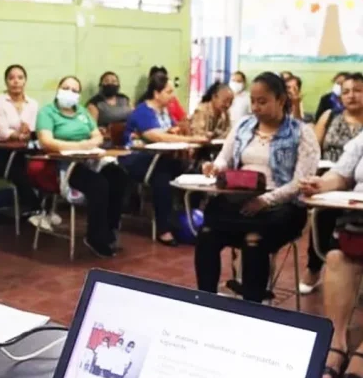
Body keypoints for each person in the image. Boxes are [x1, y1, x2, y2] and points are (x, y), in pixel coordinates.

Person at [196, 72, 319, 303]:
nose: (255, 107)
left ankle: (252, 307)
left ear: (281, 100)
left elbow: (300, 182)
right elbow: (226, 158)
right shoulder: (243, 126)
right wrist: (216, 167)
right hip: (241, 200)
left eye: (262, 102)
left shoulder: (301, 133)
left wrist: (266, 200)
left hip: (282, 206)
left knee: (255, 240)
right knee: (207, 233)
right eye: (253, 101)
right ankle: (205, 300)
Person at [35, 76, 129, 257]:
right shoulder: (47, 113)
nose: (69, 92)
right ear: (58, 89)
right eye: (65, 88)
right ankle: (95, 237)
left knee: (119, 176)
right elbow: (47, 141)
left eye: (74, 90)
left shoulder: (83, 113)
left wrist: (87, 145)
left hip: (91, 159)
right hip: (65, 165)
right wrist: (79, 146)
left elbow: (97, 137)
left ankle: (110, 230)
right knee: (99, 184)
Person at [300, 132, 363, 378]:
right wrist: (321, 184)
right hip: (358, 221)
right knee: (337, 258)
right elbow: (341, 174)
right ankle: (336, 343)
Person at [120, 73, 208, 246]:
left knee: (193, 172)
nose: (172, 95)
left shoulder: (165, 111)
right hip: (137, 160)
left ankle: (189, 217)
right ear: (156, 93)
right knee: (162, 177)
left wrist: (177, 132)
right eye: (168, 92)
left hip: (161, 159)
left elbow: (171, 131)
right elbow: (156, 136)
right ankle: (164, 229)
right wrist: (191, 140)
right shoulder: (142, 111)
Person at [299, 72, 363, 295]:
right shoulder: (330, 116)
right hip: (333, 178)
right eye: (346, 91)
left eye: (357, 90)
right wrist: (318, 180)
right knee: (324, 214)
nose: (351, 96)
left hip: (356, 187)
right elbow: (313, 149)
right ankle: (314, 267)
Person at [0, 64, 41, 213]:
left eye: (20, 78)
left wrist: (27, 132)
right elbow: (1, 130)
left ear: (25, 81)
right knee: (21, 171)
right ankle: (37, 209)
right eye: (11, 78)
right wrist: (17, 134)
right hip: (1, 152)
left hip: (24, 149)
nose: (16, 81)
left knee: (42, 167)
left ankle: (41, 208)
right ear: (6, 82)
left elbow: (33, 127)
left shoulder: (33, 104)